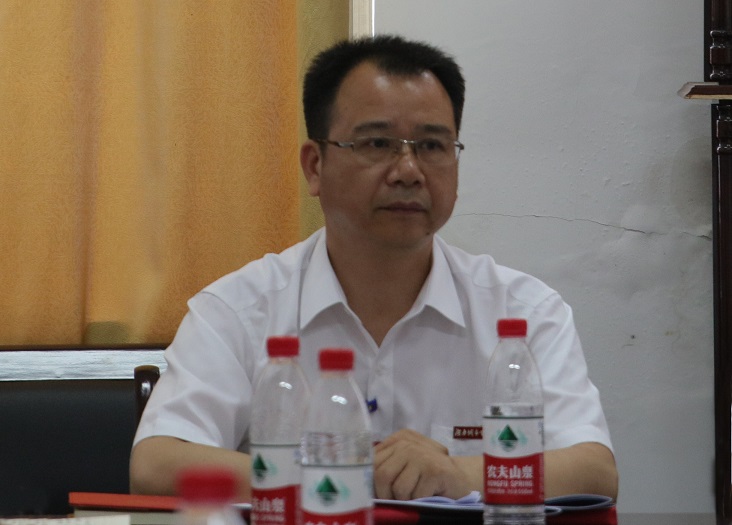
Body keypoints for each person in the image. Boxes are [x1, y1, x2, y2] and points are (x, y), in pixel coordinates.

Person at [130, 34, 618, 502]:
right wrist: (343, 472)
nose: (408, 171)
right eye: (378, 144)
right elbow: (157, 464)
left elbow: (594, 471)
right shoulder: (238, 310)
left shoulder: (525, 312)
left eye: (432, 146)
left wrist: (458, 474)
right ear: (315, 166)